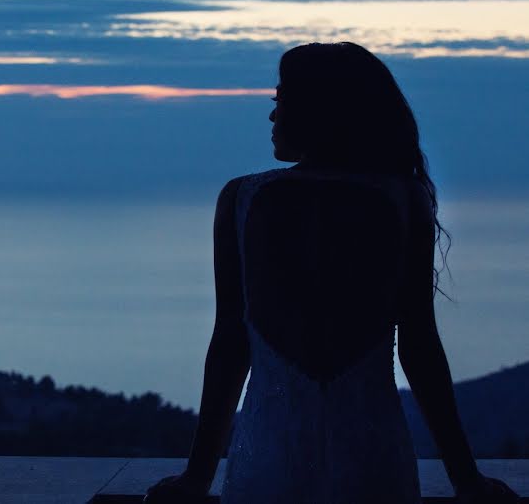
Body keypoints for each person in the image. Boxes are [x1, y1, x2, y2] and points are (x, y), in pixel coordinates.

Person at [144, 42, 519, 504]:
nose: (271, 117)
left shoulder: (241, 200)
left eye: (279, 102)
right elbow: (419, 346)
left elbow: (230, 345)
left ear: (316, 110)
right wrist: (467, 482)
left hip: (268, 459)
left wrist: (196, 479)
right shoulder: (404, 200)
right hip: (374, 459)